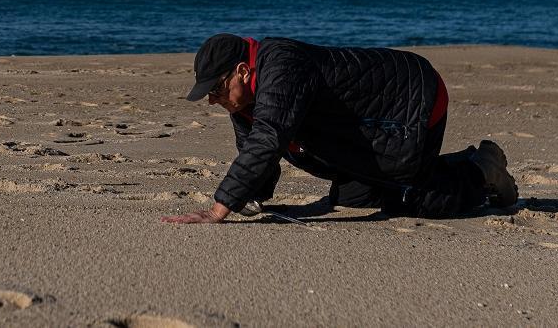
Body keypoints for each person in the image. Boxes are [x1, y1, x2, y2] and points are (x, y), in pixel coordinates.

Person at [162, 34, 518, 224]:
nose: (213, 100)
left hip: (410, 100)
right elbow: (257, 150)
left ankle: (480, 171)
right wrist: (251, 198)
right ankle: (463, 163)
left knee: (414, 195)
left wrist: (219, 208)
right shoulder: (243, 98)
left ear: (242, 70)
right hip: (370, 119)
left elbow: (270, 138)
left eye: (216, 90)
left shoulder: (281, 67)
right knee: (352, 198)